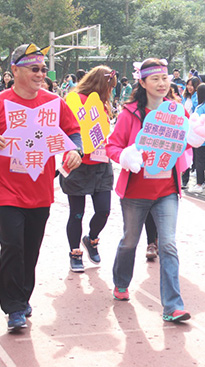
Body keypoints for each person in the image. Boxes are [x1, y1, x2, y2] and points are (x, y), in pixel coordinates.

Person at [0, 43, 82, 331]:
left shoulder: (53, 103)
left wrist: (75, 151)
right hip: (6, 190)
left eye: (43, 69)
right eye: (34, 69)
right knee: (12, 245)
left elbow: (73, 131)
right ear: (15, 71)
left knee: (30, 249)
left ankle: (22, 297)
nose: (40, 74)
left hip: (40, 190)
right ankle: (14, 307)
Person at [105, 58, 194, 322]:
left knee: (167, 244)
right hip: (135, 193)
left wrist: (196, 137)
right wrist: (125, 157)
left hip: (167, 190)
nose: (161, 83)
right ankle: (121, 282)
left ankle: (173, 306)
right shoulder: (129, 113)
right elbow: (112, 146)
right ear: (142, 83)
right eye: (154, 79)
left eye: (165, 78)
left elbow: (186, 142)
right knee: (130, 241)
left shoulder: (179, 111)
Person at [59, 66, 116, 273]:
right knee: (77, 213)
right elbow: (65, 131)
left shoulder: (102, 103)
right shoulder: (74, 100)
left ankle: (91, 239)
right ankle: (75, 252)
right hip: (77, 165)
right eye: (109, 86)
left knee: (103, 210)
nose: (111, 90)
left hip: (101, 164)